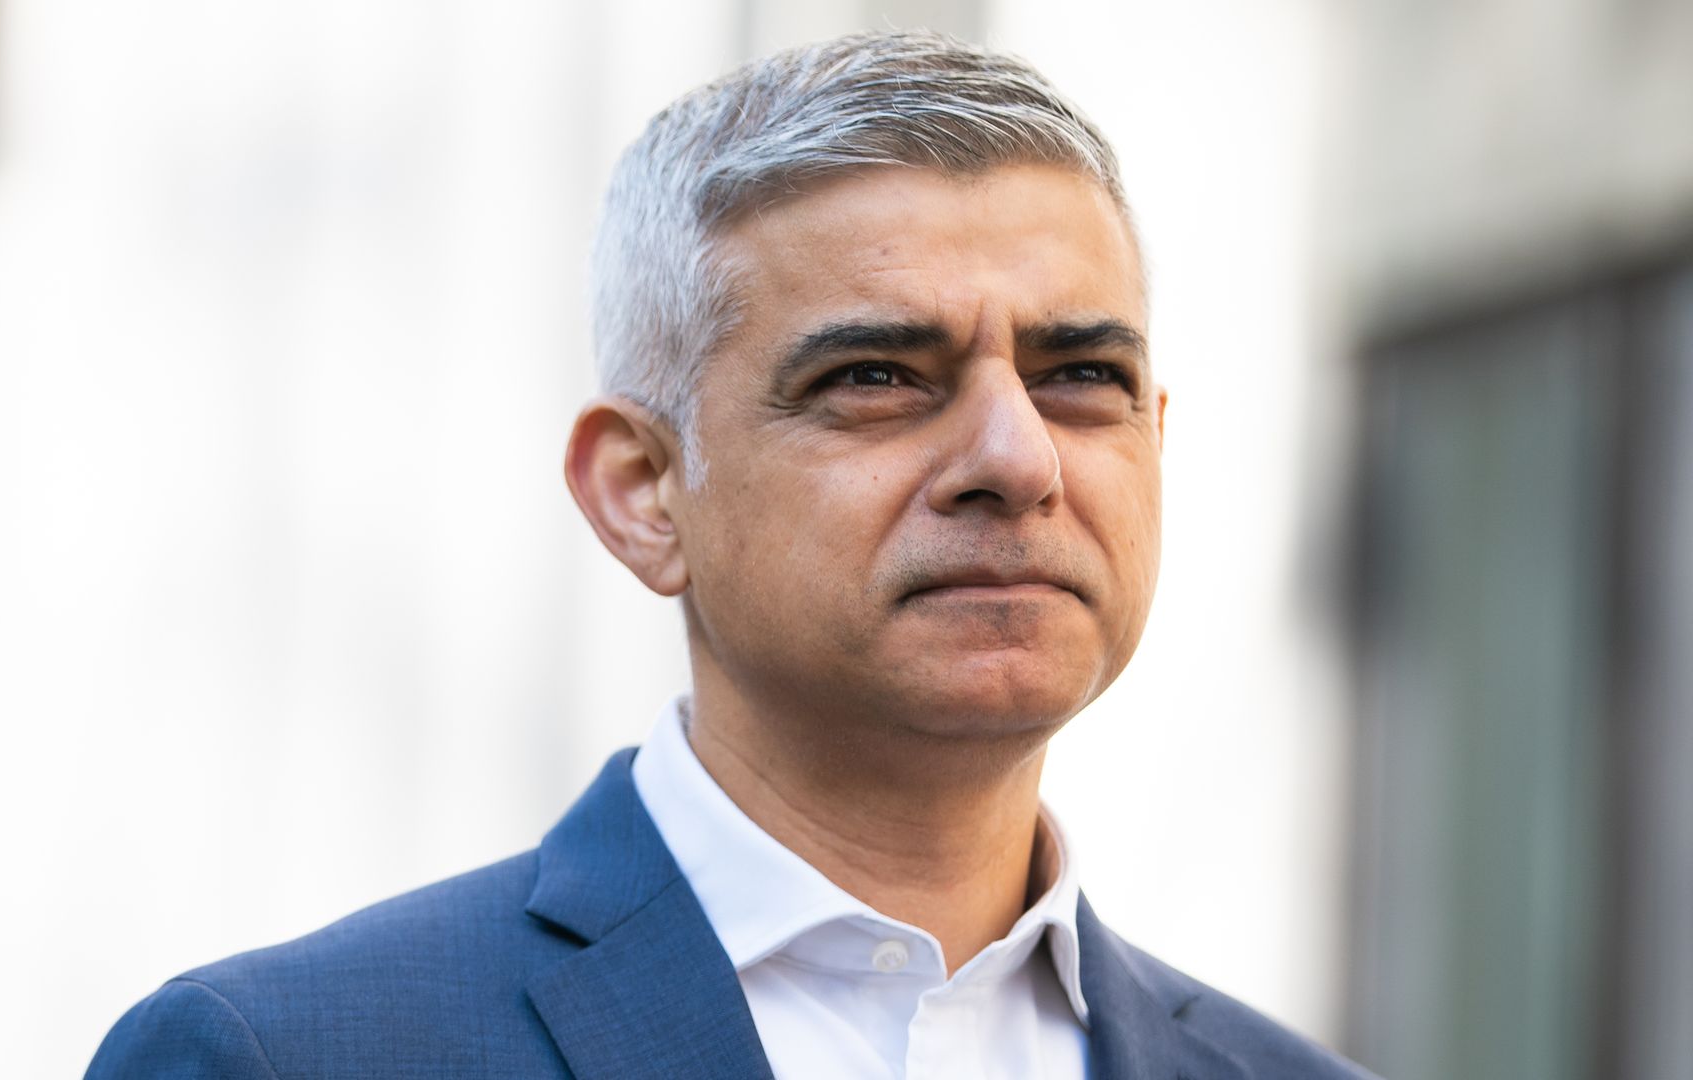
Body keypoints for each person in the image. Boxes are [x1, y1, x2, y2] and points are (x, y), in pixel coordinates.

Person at [87, 29, 1374, 1080]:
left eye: (1082, 374)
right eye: (877, 374)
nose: (1019, 458)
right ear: (645, 492)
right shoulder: (286, 1058)